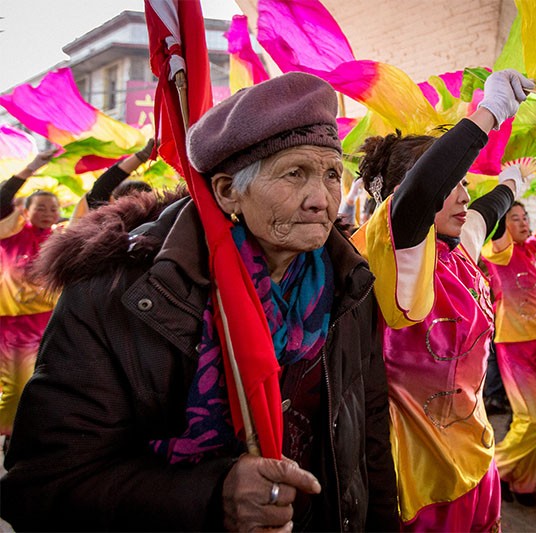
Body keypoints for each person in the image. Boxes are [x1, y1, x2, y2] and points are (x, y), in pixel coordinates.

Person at [0, 72, 397, 532]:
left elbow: (368, 437)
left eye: (331, 174)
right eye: (294, 174)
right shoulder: (122, 294)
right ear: (229, 191)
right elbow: (42, 485)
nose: (321, 200)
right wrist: (209, 495)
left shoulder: (349, 282)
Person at [353, 69, 534, 531]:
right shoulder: (395, 257)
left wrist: (512, 185)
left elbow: (484, 213)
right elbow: (419, 194)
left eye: (465, 182)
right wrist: (487, 114)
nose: (462, 194)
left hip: (478, 458)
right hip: (423, 482)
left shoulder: (455, 252)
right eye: (452, 182)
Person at [481, 197, 536, 506]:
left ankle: (523, 483)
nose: (523, 222)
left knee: (525, 417)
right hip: (514, 346)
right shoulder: (500, 252)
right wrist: (507, 184)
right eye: (515, 218)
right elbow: (497, 230)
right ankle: (490, 474)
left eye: (525, 216)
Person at [0, 148, 59, 440]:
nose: (48, 213)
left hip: (51, 321)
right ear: (26, 210)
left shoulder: (61, 239)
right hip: (15, 324)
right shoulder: (11, 233)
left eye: (53, 208)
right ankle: (12, 438)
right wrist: (32, 167)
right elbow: (2, 198)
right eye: (41, 208)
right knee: (16, 387)